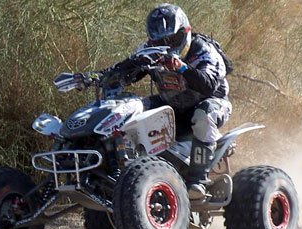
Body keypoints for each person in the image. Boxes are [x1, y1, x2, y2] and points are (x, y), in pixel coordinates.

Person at [95, 3, 232, 199]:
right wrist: (96, 78)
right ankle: (121, 171)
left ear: (186, 31)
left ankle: (198, 181)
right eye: (159, 40)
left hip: (210, 102)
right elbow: (124, 70)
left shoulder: (204, 50)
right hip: (173, 104)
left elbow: (209, 84)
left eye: (173, 38)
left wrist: (182, 67)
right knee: (130, 109)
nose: (167, 45)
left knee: (202, 115)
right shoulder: (149, 51)